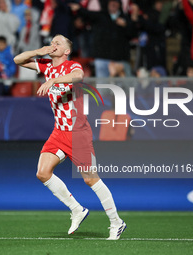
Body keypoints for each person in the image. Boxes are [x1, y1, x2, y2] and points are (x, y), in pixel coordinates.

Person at [13, 34, 126, 240]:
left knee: (91, 179)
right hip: (59, 131)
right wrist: (39, 52)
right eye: (52, 41)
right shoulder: (46, 66)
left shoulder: (72, 66)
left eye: (58, 43)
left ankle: (116, 222)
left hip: (78, 132)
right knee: (42, 172)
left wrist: (54, 79)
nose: (53, 44)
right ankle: (77, 209)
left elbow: (78, 77)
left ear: (66, 51)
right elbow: (17, 60)